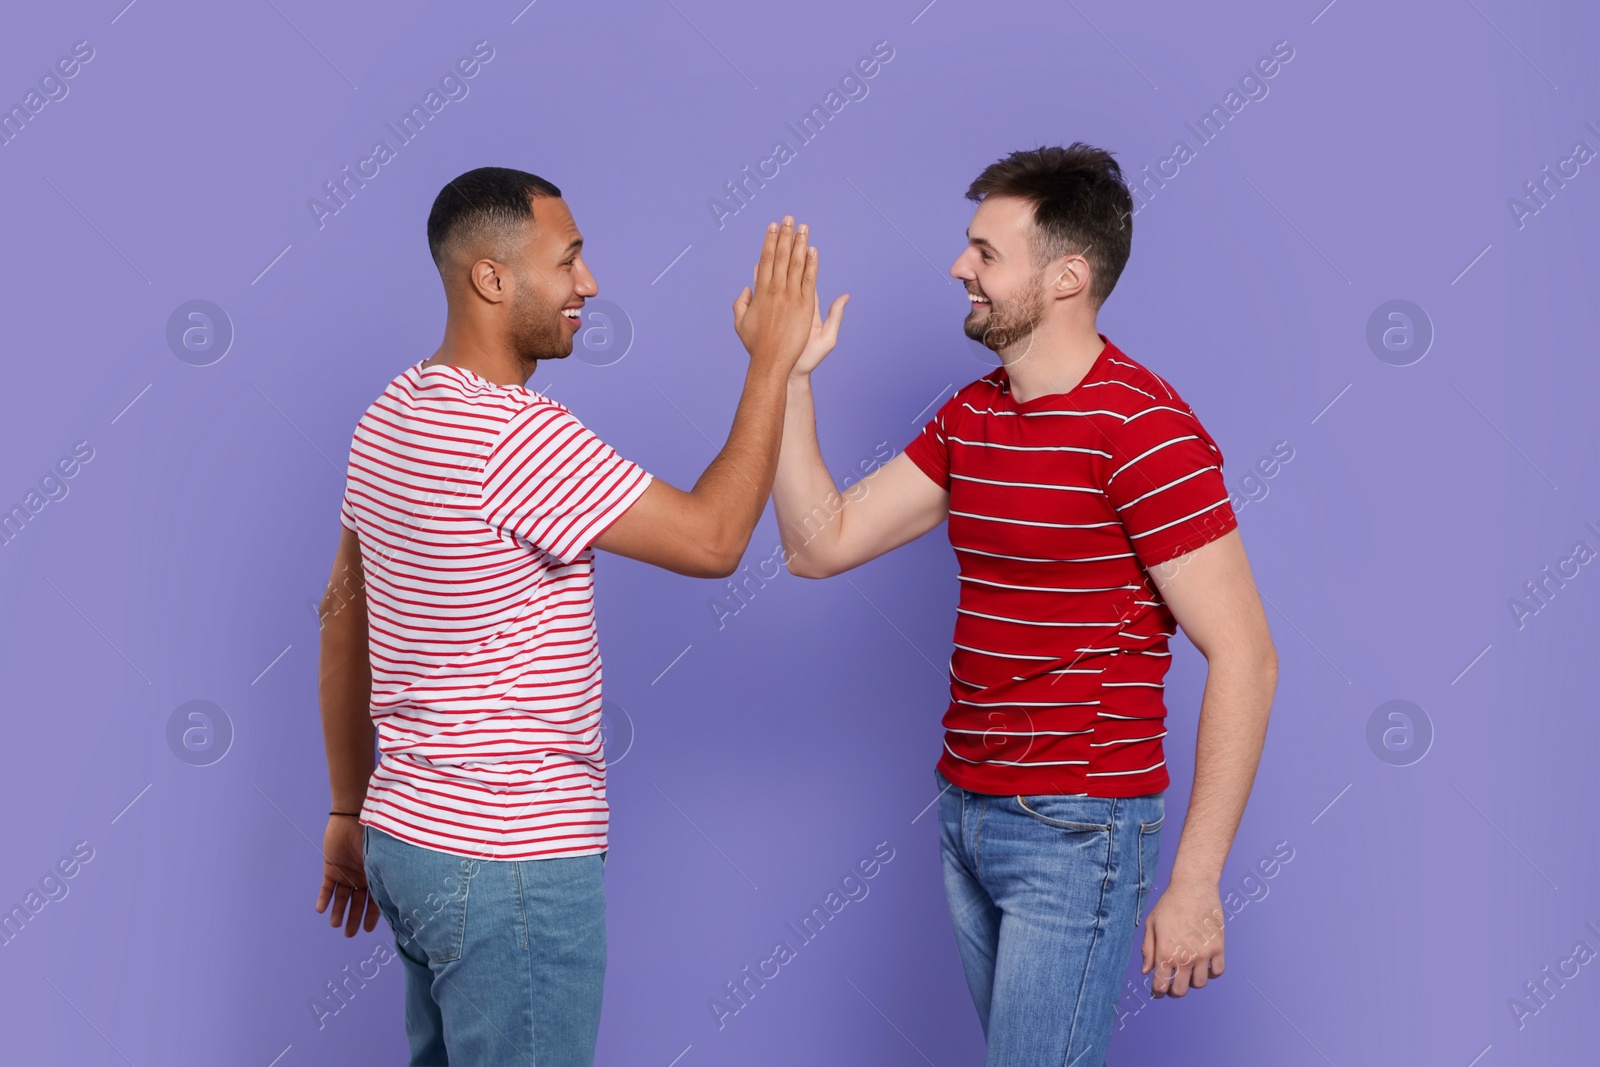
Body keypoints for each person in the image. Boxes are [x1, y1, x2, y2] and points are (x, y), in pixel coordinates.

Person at [769, 143, 1279, 1065]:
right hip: (966, 809)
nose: (960, 267)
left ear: (1067, 277)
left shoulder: (1144, 430)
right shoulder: (972, 415)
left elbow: (1247, 652)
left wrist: (1197, 879)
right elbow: (818, 542)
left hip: (1077, 824)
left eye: (986, 252)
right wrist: (789, 380)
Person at [312, 165, 820, 1066]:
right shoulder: (520, 435)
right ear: (492, 278)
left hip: (410, 839)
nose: (589, 284)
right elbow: (713, 541)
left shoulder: (387, 416)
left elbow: (340, 622)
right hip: (510, 860)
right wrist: (773, 361)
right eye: (569, 259)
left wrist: (349, 808)